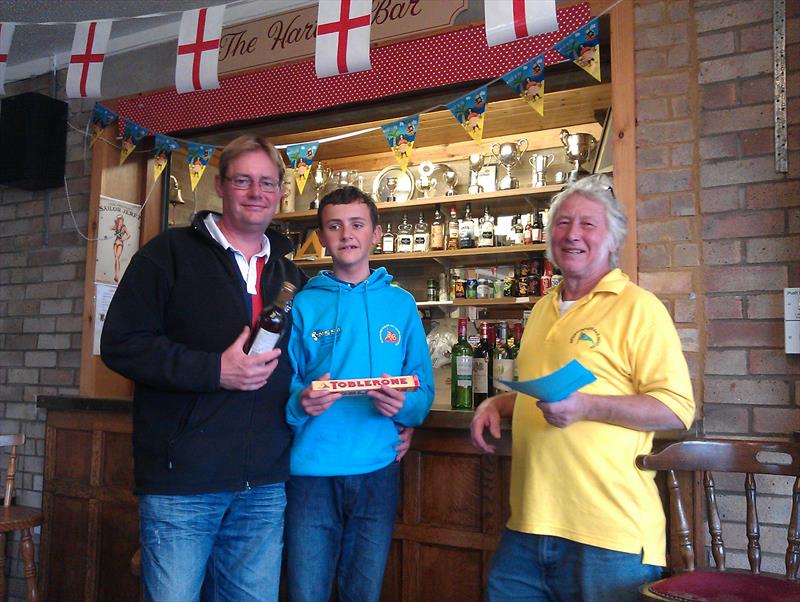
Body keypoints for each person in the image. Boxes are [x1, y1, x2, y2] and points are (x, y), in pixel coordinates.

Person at [101, 135, 307, 602]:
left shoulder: (293, 278)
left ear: (280, 192)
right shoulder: (166, 254)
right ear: (219, 185)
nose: (257, 192)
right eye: (243, 180)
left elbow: (306, 367)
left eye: (268, 182)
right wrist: (215, 370)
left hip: (265, 484)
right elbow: (120, 345)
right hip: (183, 484)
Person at [470, 175, 695, 602]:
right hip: (529, 526)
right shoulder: (541, 309)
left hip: (610, 535)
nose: (572, 233)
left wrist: (588, 407)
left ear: (612, 240)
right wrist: (500, 403)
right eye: (563, 222)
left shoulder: (638, 308)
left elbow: (677, 409)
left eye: (588, 224)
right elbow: (548, 393)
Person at [285, 186, 434, 602]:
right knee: (306, 592)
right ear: (322, 236)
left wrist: (406, 408)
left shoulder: (402, 304)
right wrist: (300, 402)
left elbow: (422, 387)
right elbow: (283, 386)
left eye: (356, 224)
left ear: (376, 234)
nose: (346, 234)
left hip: (377, 471)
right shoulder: (303, 305)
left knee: (363, 593)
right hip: (309, 473)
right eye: (334, 226)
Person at [110, 213, 131, 283]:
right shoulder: (116, 226)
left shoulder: (124, 227)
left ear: (122, 220)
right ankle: (116, 274)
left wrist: (123, 239)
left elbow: (129, 235)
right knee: (116, 258)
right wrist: (115, 223)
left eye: (120, 220)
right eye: (118, 220)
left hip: (120, 243)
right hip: (115, 243)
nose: (119, 221)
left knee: (117, 258)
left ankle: (117, 275)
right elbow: (110, 228)